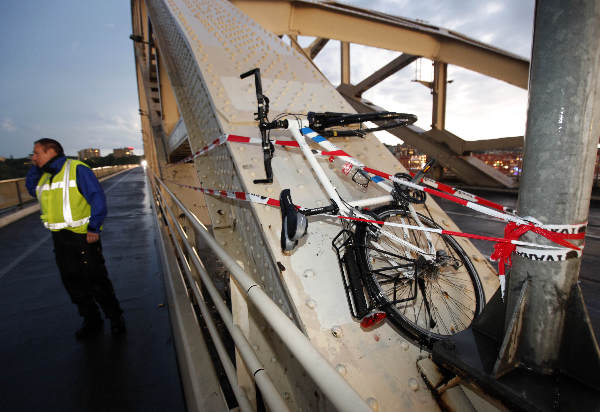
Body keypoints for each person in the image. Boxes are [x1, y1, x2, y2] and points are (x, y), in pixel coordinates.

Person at [26, 138, 125, 339]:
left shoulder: (77, 169)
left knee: (96, 280)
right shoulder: (44, 176)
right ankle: (91, 320)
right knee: (72, 281)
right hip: (60, 238)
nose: (33, 157)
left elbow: (97, 197)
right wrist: (35, 168)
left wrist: (94, 228)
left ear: (51, 152)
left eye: (37, 153)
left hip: (83, 236)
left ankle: (115, 319)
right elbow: (31, 189)